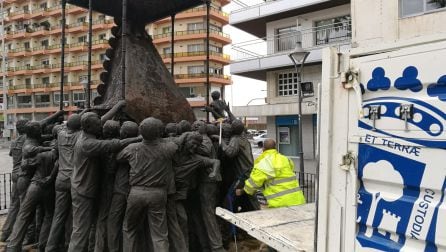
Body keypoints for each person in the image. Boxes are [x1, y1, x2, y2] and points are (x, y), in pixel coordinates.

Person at [67, 109, 140, 252]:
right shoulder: (88, 144)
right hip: (83, 191)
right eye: (98, 125)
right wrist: (139, 138)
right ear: (88, 127)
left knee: (88, 226)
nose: (101, 126)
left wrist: (118, 107)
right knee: (80, 230)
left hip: (82, 187)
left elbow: (99, 121)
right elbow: (114, 144)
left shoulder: (84, 134)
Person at [117, 117, 177, 252]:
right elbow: (175, 143)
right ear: (159, 133)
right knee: (159, 234)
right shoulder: (168, 148)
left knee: (129, 229)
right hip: (158, 193)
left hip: (136, 193)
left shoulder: (132, 148)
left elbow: (119, 157)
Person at [46, 114, 82, 252]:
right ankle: (69, 245)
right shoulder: (80, 135)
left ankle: (50, 247)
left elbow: (62, 127)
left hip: (60, 179)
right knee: (73, 216)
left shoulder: (60, 135)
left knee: (58, 215)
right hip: (74, 180)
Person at [237, 138, 306, 208]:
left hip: (280, 204)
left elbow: (253, 183)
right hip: (298, 200)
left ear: (263, 149)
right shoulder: (285, 159)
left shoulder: (264, 163)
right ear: (275, 148)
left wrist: (242, 191)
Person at [107, 121, 140, 252]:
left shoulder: (121, 147)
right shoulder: (140, 144)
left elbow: (111, 167)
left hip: (121, 188)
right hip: (134, 188)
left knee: (113, 221)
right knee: (132, 224)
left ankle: (114, 249)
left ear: (124, 133)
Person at [1, 119, 28, 242]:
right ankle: (20, 236)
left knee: (13, 205)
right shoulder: (27, 140)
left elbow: (12, 154)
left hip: (14, 174)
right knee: (24, 207)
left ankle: (5, 232)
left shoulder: (14, 142)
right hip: (23, 175)